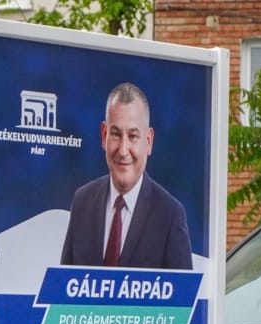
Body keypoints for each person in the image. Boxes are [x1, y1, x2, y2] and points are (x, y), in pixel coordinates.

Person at [60, 82, 192, 269]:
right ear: (104, 135)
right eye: (115, 134)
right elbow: (64, 285)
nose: (123, 150)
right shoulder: (82, 202)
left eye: (133, 136)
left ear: (148, 141)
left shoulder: (170, 216)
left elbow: (181, 289)